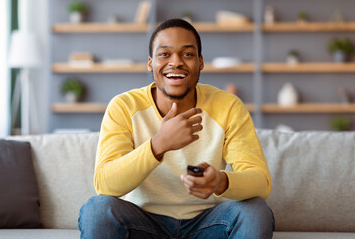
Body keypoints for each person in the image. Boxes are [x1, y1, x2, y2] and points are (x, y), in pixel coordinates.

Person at [78, 18, 274, 239]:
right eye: (164, 54)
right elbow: (104, 184)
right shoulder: (124, 106)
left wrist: (219, 181)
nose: (176, 62)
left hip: (208, 224)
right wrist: (158, 145)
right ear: (150, 63)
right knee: (97, 209)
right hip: (141, 222)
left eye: (187, 54)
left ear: (200, 62)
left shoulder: (228, 107)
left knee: (255, 212)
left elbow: (260, 183)